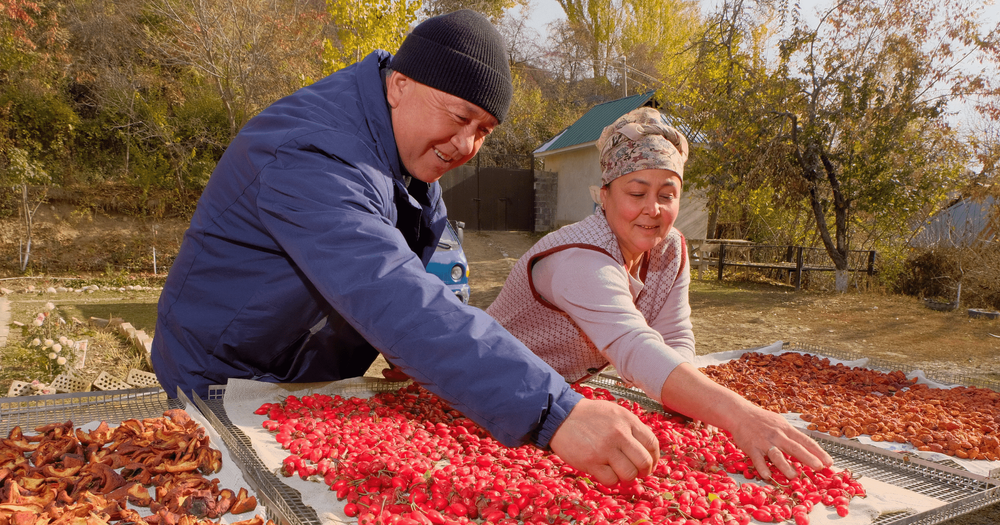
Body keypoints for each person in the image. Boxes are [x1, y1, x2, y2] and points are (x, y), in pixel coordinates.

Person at [150, 9, 659, 486]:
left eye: (483, 130)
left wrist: (441, 357)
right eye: (459, 117)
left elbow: (434, 277)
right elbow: (389, 290)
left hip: (306, 373)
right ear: (399, 85)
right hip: (221, 373)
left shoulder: (407, 159)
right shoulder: (311, 153)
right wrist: (552, 411)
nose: (466, 146)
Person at [487, 107, 834, 480]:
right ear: (604, 196)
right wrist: (740, 415)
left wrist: (688, 402)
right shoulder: (578, 259)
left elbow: (674, 336)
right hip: (488, 390)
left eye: (667, 195)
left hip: (554, 400)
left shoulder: (670, 249)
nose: (652, 210)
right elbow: (634, 347)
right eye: (636, 192)